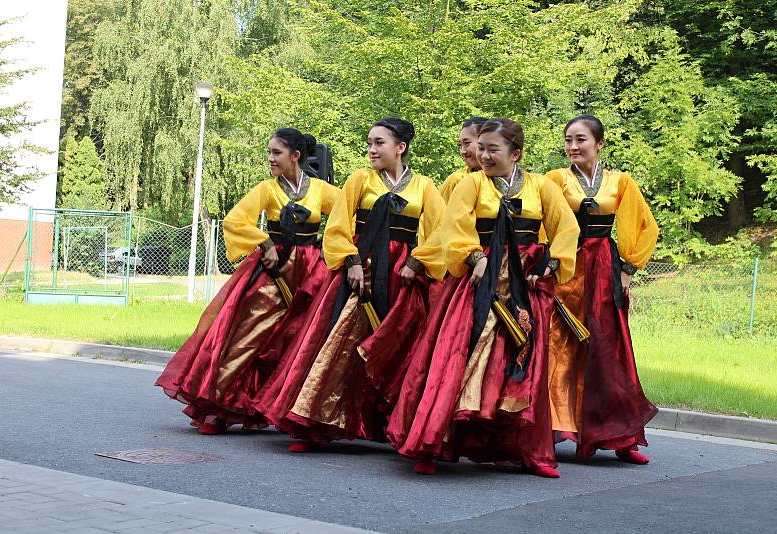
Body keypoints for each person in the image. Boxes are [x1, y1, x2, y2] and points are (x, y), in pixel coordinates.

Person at [386, 118, 579, 478]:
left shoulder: (541, 186)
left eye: (493, 149)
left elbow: (566, 227)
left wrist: (551, 263)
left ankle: (528, 451)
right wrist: (475, 257)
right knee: (456, 359)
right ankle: (434, 444)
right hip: (478, 284)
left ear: (516, 153)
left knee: (521, 367)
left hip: (523, 288)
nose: (484, 155)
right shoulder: (471, 184)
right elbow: (452, 228)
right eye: (481, 148)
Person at [255, 117, 446, 450]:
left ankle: (388, 425)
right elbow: (338, 227)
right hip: (361, 270)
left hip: (402, 276)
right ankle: (314, 422)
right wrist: (352, 262)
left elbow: (442, 231)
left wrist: (417, 262)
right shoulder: (359, 180)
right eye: (370, 142)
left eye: (379, 143)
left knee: (398, 347)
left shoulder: (425, 187)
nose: (372, 149)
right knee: (339, 343)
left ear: (400, 148)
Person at [155, 128, 340, 434]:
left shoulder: (321, 190)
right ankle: (217, 407)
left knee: (295, 342)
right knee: (247, 336)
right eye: (269, 152)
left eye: (276, 153)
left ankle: (272, 408)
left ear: (295, 156)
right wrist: (264, 242)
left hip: (309, 274)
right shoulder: (267, 189)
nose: (270, 158)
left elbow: (348, 214)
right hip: (272, 270)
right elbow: (235, 220)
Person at [546, 114, 659, 464]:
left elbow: (645, 225)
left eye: (580, 139)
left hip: (605, 269)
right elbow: (542, 224)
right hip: (567, 270)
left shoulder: (619, 182)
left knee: (609, 348)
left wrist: (628, 269)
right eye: (568, 140)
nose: (573, 146)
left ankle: (619, 436)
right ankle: (552, 431)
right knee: (559, 346)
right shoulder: (554, 179)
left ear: (600, 144)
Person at [438, 117, 489, 203]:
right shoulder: (456, 180)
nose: (463, 151)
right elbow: (436, 213)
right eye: (460, 145)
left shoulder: (513, 179)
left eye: (467, 143)